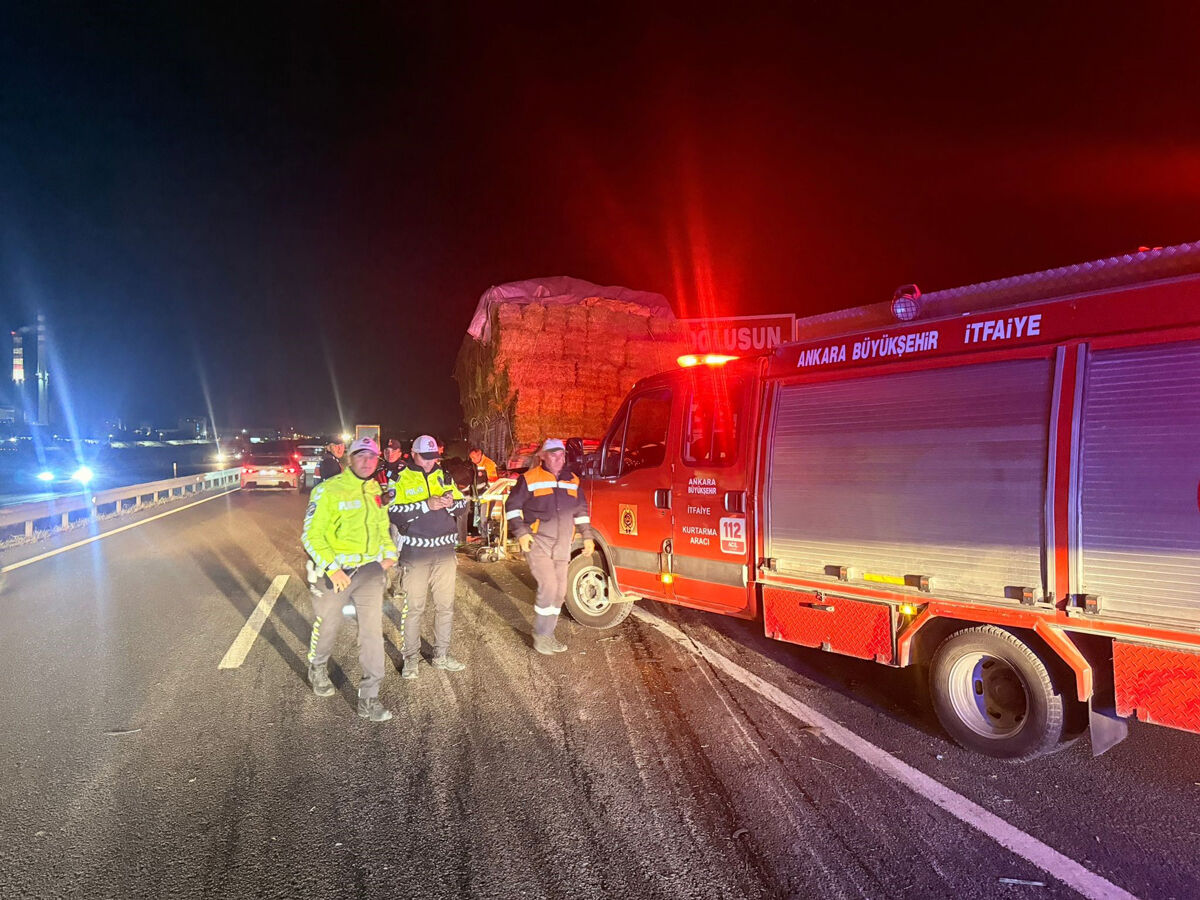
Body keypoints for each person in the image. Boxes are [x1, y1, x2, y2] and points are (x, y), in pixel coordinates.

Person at [301, 437, 398, 722]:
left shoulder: (376, 491)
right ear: (349, 459)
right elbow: (310, 534)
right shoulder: (327, 490)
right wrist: (332, 568)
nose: (367, 462)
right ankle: (317, 667)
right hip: (335, 572)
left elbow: (383, 529)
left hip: (369, 571)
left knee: (372, 632)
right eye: (360, 456)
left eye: (372, 457)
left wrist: (389, 555)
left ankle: (369, 697)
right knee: (328, 624)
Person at [504, 437, 595, 654]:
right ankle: (541, 635)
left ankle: (548, 634)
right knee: (549, 586)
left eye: (561, 454)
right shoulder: (530, 478)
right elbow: (512, 507)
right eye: (553, 454)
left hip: (563, 544)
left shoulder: (572, 480)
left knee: (560, 591)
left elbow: (581, 511)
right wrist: (522, 533)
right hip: (538, 542)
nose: (558, 458)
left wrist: (588, 536)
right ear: (542, 456)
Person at [389, 434, 468, 678]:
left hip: (444, 552)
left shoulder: (443, 475)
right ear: (412, 454)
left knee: (445, 607)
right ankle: (410, 659)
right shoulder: (400, 478)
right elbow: (394, 513)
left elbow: (462, 505)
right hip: (416, 553)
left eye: (433, 458)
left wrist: (449, 503)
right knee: (414, 608)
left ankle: (441, 655)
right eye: (425, 458)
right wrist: (426, 505)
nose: (429, 463)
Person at [468, 447, 498, 542]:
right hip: (480, 497)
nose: (472, 460)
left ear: (479, 454)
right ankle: (483, 536)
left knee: (484, 518)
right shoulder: (475, 464)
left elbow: (493, 482)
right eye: (471, 458)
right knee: (480, 519)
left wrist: (489, 495)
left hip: (487, 497)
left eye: (473, 457)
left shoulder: (488, 464)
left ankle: (486, 539)